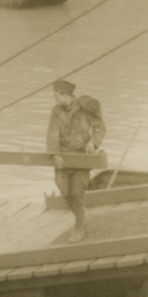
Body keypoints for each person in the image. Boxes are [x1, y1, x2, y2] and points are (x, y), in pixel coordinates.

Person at [46, 79, 106, 242]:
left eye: (56, 96)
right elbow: (52, 133)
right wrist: (55, 155)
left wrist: (93, 142)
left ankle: (79, 227)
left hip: (81, 159)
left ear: (66, 95)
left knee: (77, 193)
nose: (55, 99)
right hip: (63, 159)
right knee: (64, 190)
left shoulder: (84, 109)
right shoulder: (56, 111)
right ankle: (82, 218)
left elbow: (99, 127)